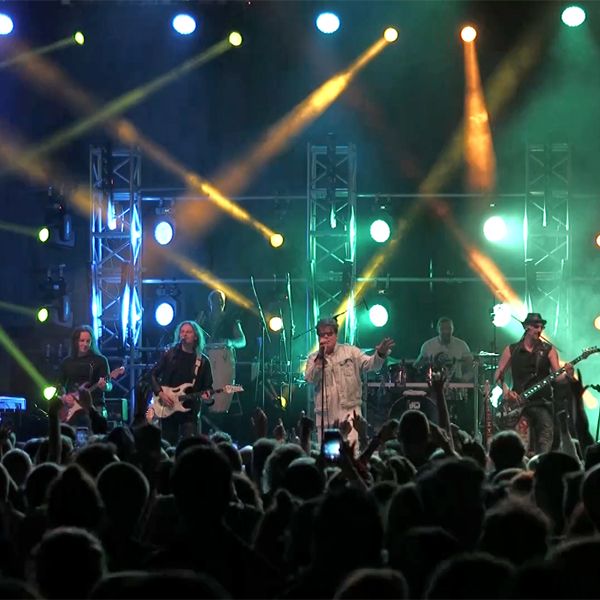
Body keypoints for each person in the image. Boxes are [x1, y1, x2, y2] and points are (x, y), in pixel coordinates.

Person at [304, 317, 394, 445]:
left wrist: (380, 354)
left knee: (351, 450)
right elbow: (310, 379)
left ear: (336, 335)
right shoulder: (313, 358)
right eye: (322, 334)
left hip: (350, 412)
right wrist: (319, 360)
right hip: (325, 415)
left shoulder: (351, 352)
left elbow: (371, 365)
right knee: (329, 452)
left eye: (329, 333)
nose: (326, 337)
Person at [494, 312, 573, 455]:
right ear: (526, 327)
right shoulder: (512, 349)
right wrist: (506, 392)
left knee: (544, 444)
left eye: (542, 327)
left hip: (542, 403)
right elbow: (498, 375)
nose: (539, 330)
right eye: (536, 326)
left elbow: (558, 377)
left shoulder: (549, 350)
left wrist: (568, 375)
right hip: (519, 404)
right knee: (519, 447)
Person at [149, 320, 213, 444]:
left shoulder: (203, 361)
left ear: (195, 337)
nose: (184, 334)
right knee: (168, 442)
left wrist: (208, 398)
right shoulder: (170, 354)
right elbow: (152, 374)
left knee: (189, 445)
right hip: (168, 407)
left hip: (189, 411)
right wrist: (161, 393)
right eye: (182, 332)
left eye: (188, 332)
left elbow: (208, 387)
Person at [197, 289, 246, 414]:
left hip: (225, 359)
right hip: (205, 359)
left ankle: (221, 411)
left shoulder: (231, 320)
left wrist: (230, 342)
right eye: (215, 300)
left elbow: (242, 341)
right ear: (210, 303)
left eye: (220, 300)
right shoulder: (204, 320)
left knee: (222, 390)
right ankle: (204, 411)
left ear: (224, 303)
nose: (218, 303)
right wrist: (197, 324)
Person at [57, 325, 111, 434]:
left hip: (94, 406)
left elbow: (109, 386)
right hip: (72, 407)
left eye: (88, 341)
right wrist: (64, 397)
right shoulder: (67, 362)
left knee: (95, 435)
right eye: (82, 341)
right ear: (75, 342)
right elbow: (59, 385)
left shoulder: (100, 360)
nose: (85, 344)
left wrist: (105, 386)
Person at [415, 317, 472, 381]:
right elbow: (417, 366)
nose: (446, 331)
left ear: (453, 329)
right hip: (434, 383)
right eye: (443, 329)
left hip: (456, 383)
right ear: (438, 330)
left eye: (449, 328)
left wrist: (464, 379)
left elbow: (471, 367)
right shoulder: (428, 346)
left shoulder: (461, 345)